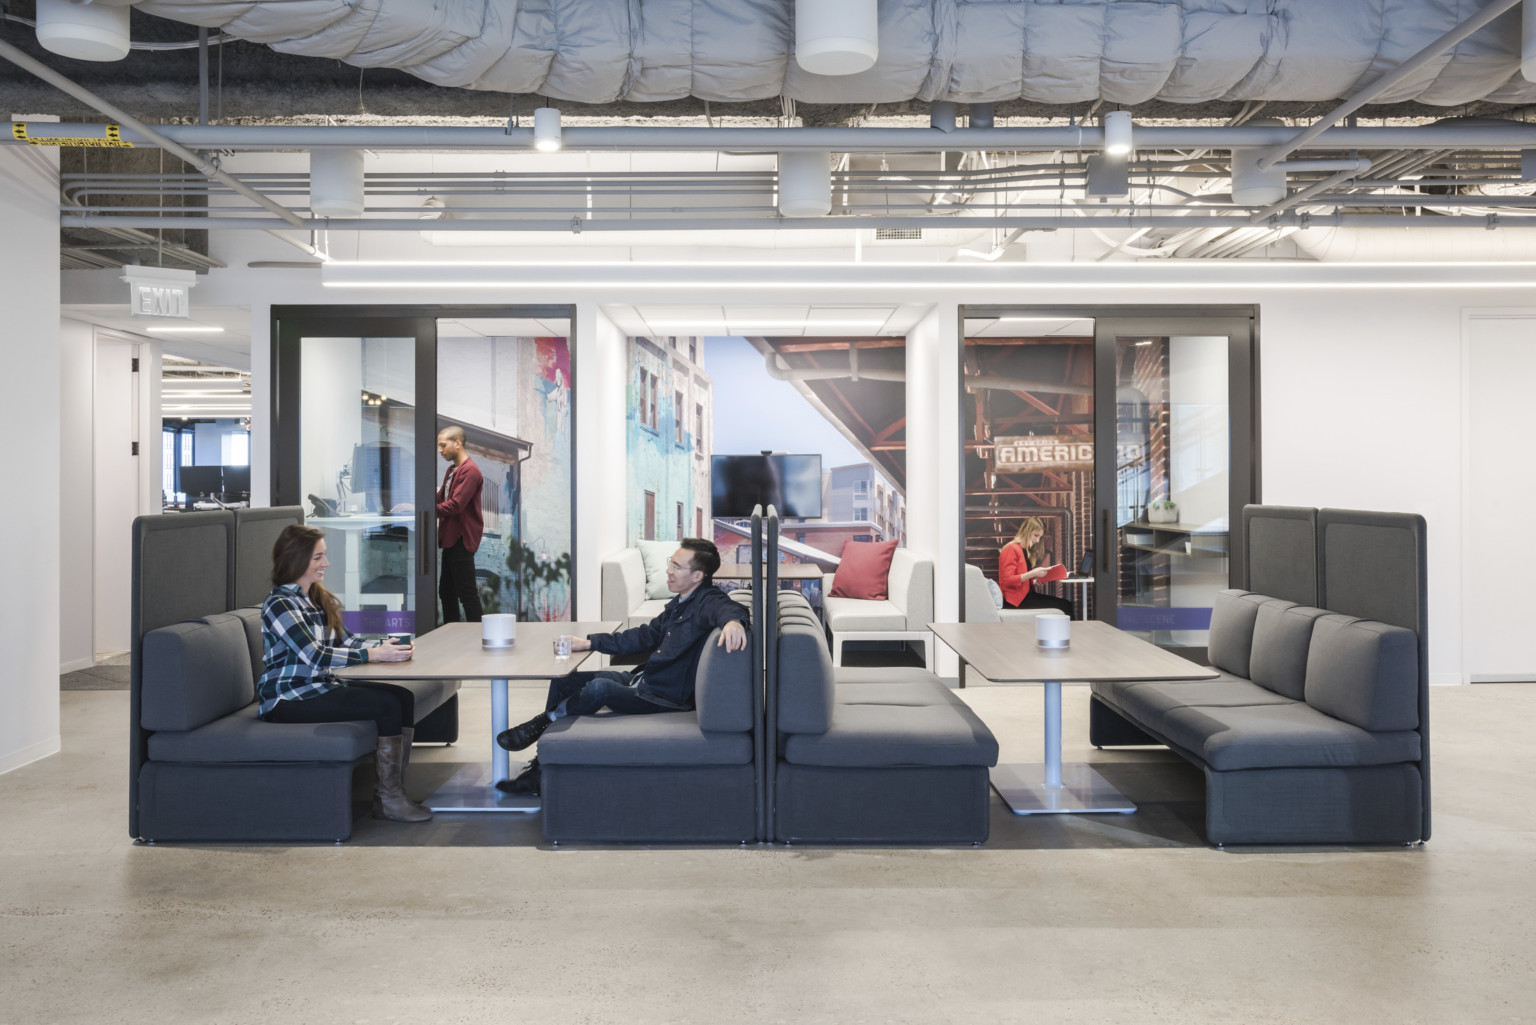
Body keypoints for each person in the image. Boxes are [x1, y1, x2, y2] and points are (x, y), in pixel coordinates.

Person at [494, 538, 750, 795]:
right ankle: (540, 770)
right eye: (670, 562)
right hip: (644, 679)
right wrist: (589, 643)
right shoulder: (680, 603)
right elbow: (641, 636)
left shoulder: (707, 601)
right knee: (565, 679)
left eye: (677, 566)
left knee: (600, 689)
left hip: (663, 696)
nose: (669, 570)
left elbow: (730, 608)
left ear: (697, 575)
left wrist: (734, 622)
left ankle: (542, 722)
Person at [258, 524, 432, 823]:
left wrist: (386, 647)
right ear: (295, 559)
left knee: (402, 696)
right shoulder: (280, 604)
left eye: (324, 556)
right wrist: (374, 655)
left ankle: (391, 793)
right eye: (317, 558)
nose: (325, 564)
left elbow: (347, 641)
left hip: (319, 688)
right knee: (386, 705)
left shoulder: (315, 598)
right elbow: (314, 656)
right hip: (287, 698)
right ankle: (389, 801)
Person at [435, 425, 484, 623]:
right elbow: (440, 499)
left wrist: (425, 510)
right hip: (450, 538)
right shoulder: (452, 469)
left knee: (467, 595)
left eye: (443, 445)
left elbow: (456, 505)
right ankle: (451, 637)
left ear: (458, 443)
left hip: (461, 539)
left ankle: (478, 638)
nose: (440, 450)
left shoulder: (470, 471)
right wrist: (417, 504)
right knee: (446, 592)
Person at [999, 516, 1073, 617]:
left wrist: (1035, 580)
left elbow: (1020, 577)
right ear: (1026, 531)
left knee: (1066, 605)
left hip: (1025, 596)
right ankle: (1071, 633)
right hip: (1015, 601)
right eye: (1036, 535)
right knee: (1066, 606)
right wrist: (1033, 573)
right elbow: (1007, 580)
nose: (1037, 540)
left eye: (1040, 537)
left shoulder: (1024, 550)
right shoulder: (1011, 548)